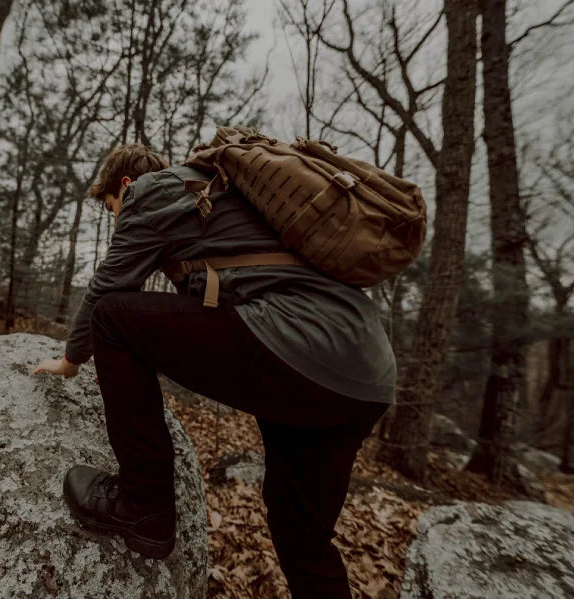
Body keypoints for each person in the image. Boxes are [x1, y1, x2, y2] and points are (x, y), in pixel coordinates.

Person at [33, 142, 395, 598]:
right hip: (364, 377)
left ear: (125, 185)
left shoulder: (149, 192)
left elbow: (109, 287)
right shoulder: (221, 202)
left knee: (112, 316)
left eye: (111, 209)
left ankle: (144, 504)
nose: (116, 221)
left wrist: (70, 360)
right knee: (301, 536)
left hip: (297, 346)